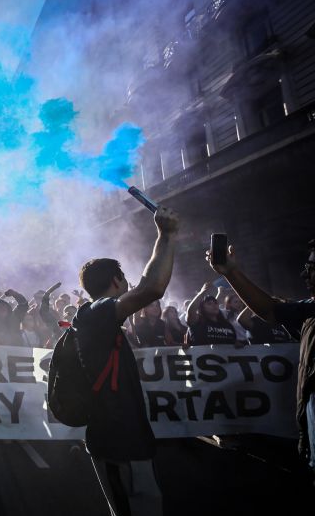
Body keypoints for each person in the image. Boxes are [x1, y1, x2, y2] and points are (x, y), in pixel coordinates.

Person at [73, 205, 179, 516]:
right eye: (126, 279)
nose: (130, 285)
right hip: (117, 443)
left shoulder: (102, 319)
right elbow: (153, 288)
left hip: (126, 440)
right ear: (118, 281)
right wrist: (166, 235)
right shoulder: (95, 312)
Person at [206, 238, 315, 477]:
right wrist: (231, 272)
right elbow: (269, 310)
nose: (304, 274)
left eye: (311, 268)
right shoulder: (310, 310)